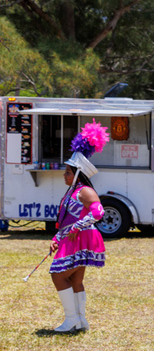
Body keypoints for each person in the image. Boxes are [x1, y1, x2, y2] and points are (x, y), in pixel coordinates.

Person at [49, 121, 109, 332]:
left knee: (58, 275)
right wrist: (57, 238)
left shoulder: (84, 191)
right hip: (74, 237)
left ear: (77, 174)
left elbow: (98, 212)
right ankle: (81, 321)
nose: (64, 175)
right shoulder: (73, 192)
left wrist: (77, 228)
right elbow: (66, 220)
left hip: (82, 238)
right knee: (75, 279)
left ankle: (71, 319)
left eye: (67, 171)